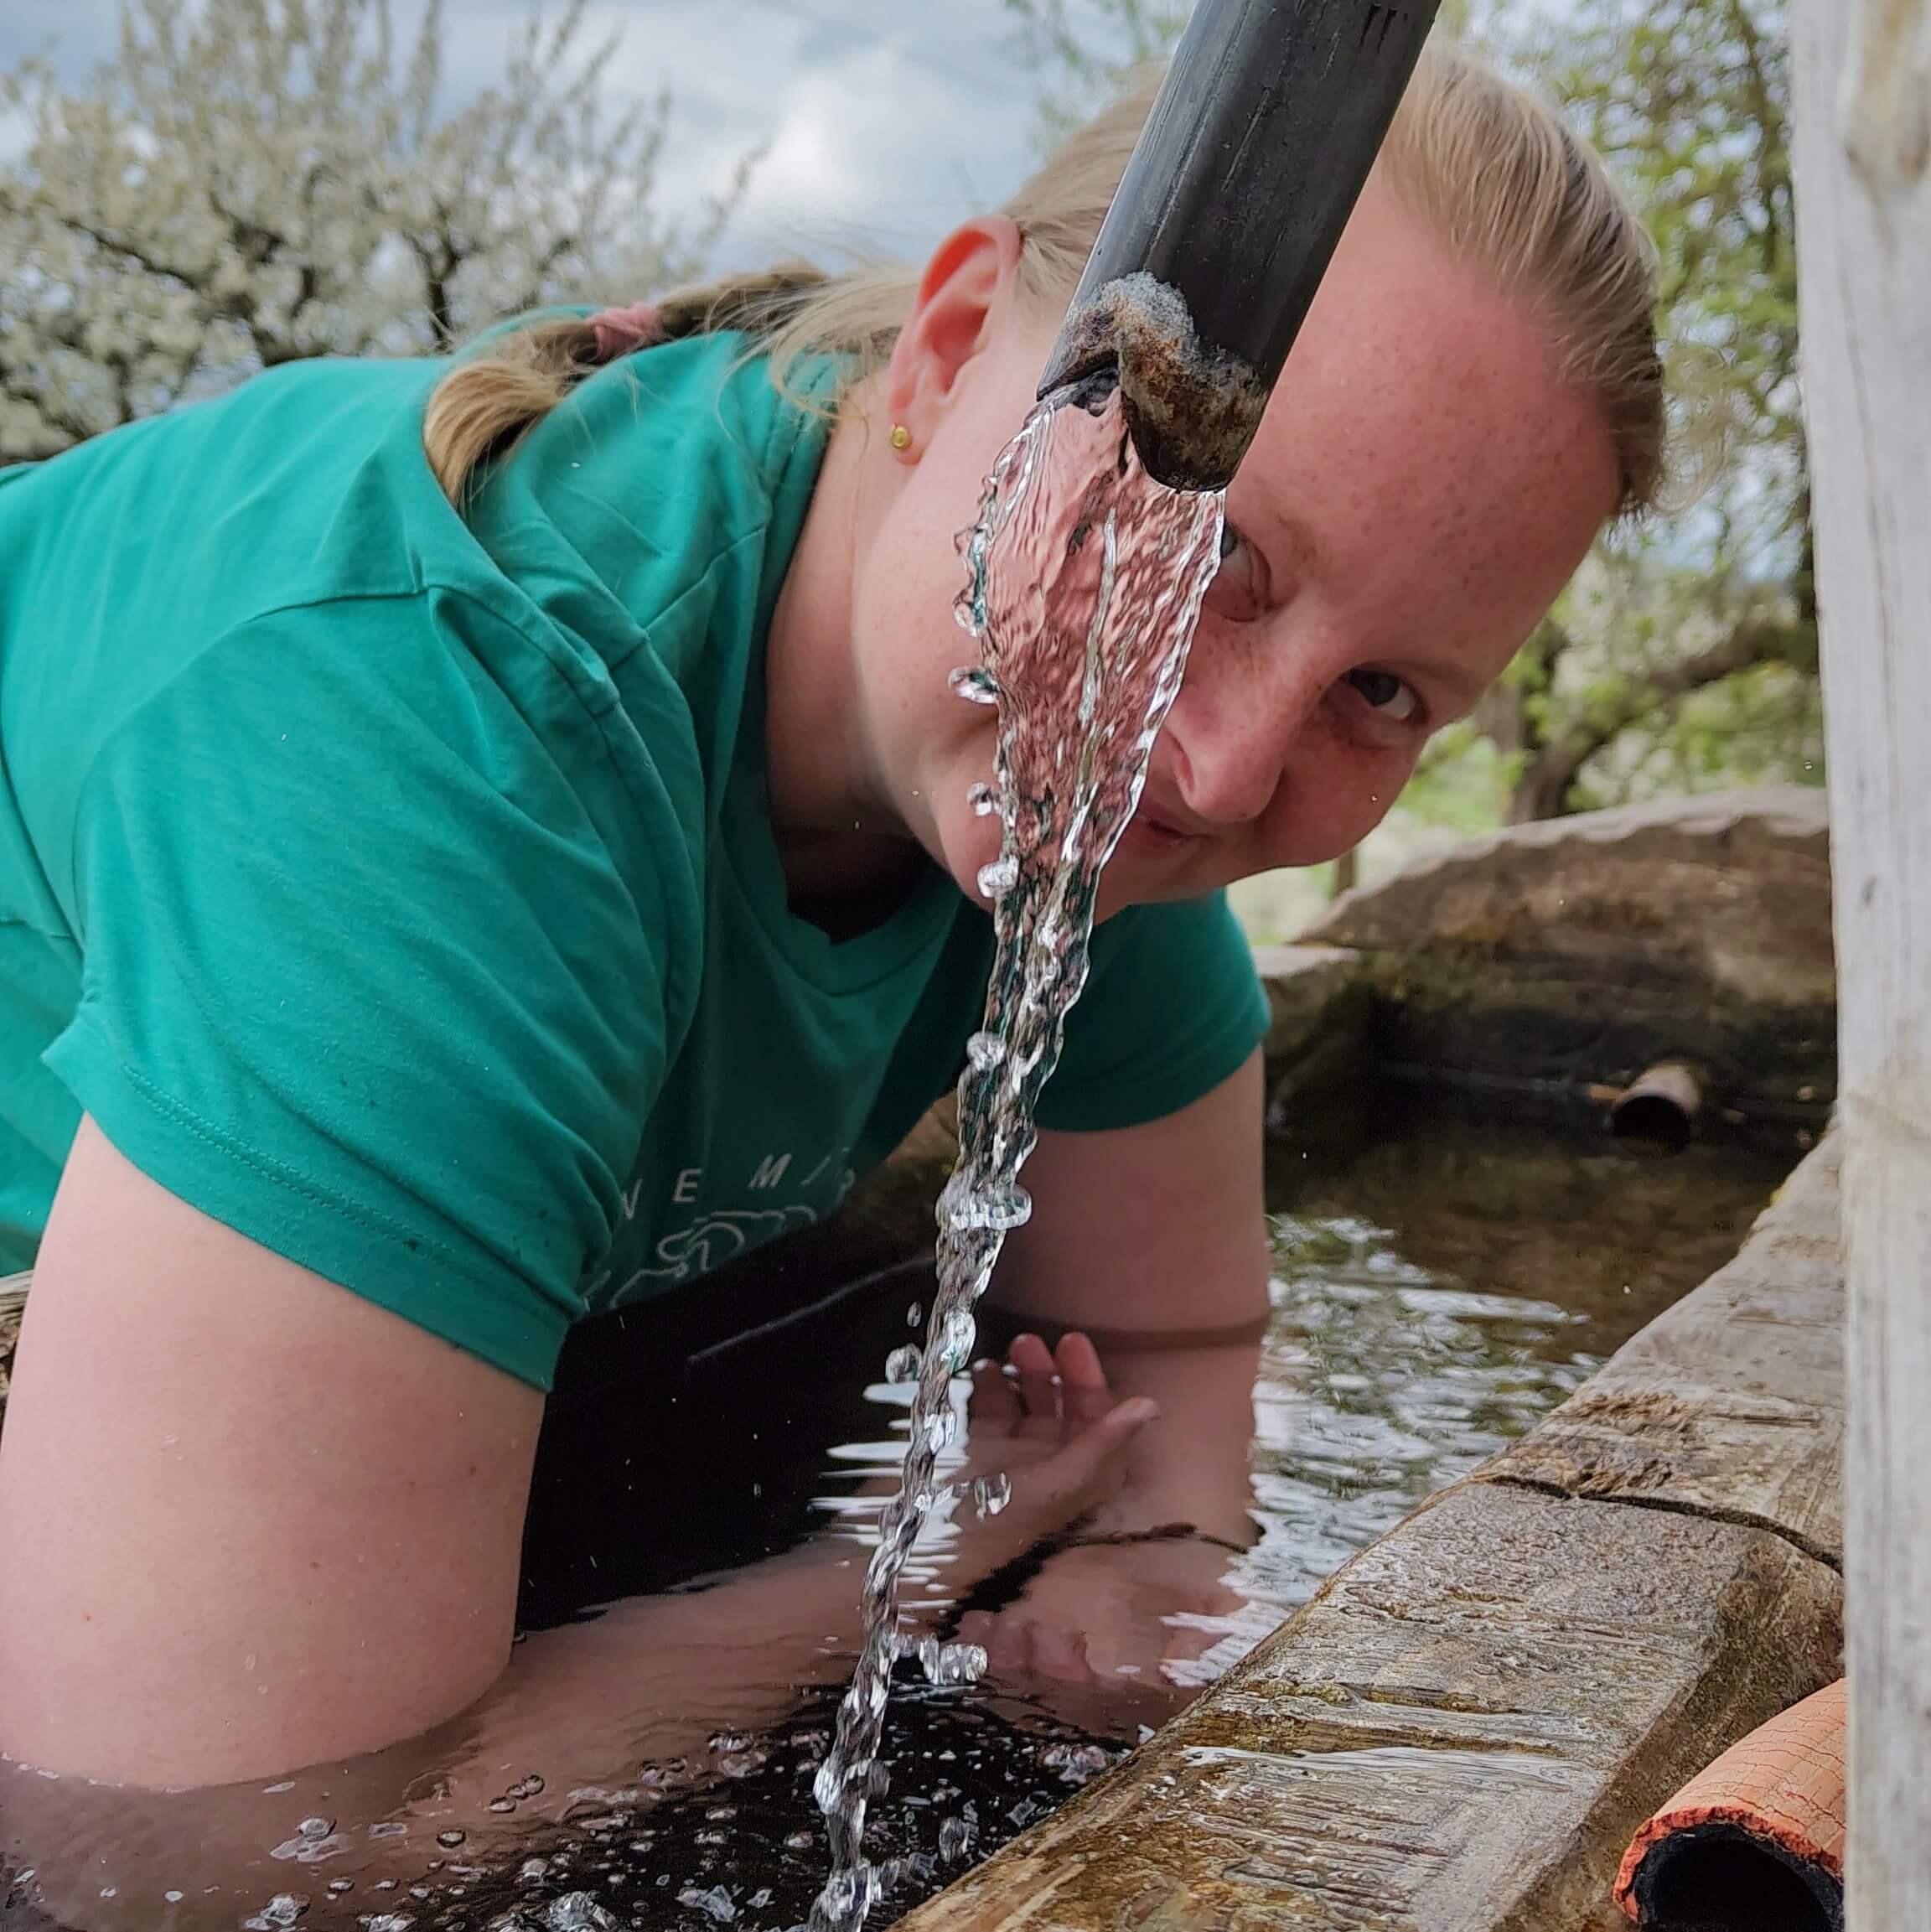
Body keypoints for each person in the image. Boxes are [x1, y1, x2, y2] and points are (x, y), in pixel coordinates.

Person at [0, 36, 1662, 1805]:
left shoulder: (1082, 774)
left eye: (1388, 690)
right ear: (946, 357)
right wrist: (907, 1563)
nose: (1233, 759)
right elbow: (209, 1840)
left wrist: (1137, 1565)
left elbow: (1180, 1340)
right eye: (1218, 548)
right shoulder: (438, 749)